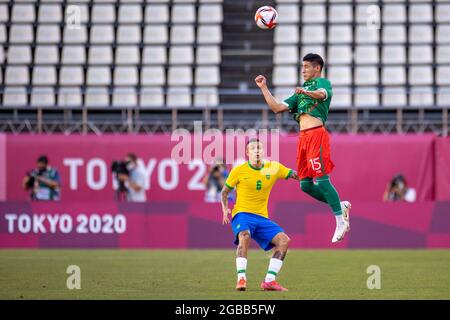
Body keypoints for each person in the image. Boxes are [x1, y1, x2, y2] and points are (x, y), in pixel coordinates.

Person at [255, 53, 351, 243]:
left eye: (307, 66)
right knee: (305, 185)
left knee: (322, 181)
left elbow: (322, 95)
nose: (303, 69)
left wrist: (305, 92)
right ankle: (340, 205)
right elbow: (276, 107)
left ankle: (341, 221)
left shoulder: (323, 83)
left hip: (316, 135)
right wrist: (264, 87)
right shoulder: (299, 94)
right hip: (303, 139)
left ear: (317, 68)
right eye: (303, 66)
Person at [221, 138, 299, 292]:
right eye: (253, 149)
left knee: (284, 241)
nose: (256, 151)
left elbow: (294, 175)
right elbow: (225, 191)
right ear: (247, 153)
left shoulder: (273, 167)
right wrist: (225, 208)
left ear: (263, 151)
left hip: (262, 217)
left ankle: (269, 281)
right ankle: (241, 278)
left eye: (259, 148)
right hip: (242, 214)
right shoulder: (239, 170)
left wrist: (313, 179)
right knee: (244, 236)